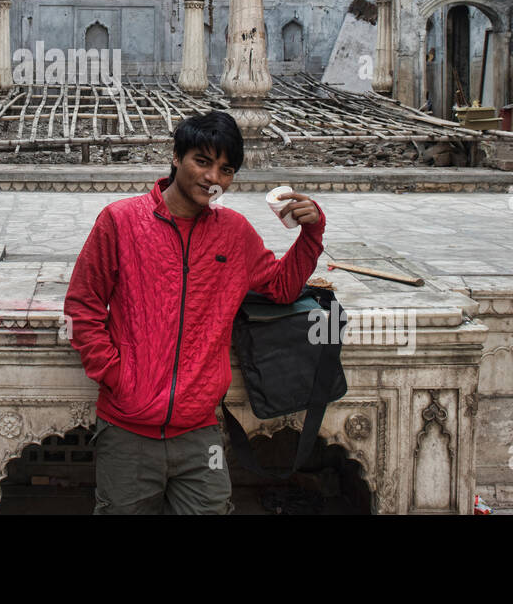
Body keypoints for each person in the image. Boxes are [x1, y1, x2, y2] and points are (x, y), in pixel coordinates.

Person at [64, 111, 326, 514]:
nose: (213, 179)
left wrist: (311, 233)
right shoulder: (121, 221)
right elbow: (83, 304)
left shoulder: (234, 233)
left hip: (199, 431)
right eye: (202, 161)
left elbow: (282, 286)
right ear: (175, 157)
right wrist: (118, 375)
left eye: (226, 170)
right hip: (127, 428)